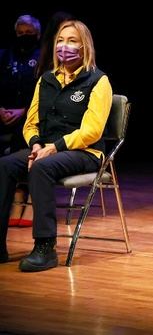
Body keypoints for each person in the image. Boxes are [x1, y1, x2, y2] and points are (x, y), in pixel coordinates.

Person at [0, 20, 112, 271]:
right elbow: (30, 124)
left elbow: (92, 130)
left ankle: (45, 247)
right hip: (47, 149)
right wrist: (37, 145)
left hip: (86, 151)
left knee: (41, 168)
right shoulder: (46, 79)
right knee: (5, 165)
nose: (65, 46)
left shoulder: (97, 80)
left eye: (72, 41)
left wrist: (55, 147)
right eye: (61, 40)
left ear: (84, 46)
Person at [1, 15, 42, 228]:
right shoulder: (4, 55)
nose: (24, 37)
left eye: (29, 34)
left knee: (25, 133)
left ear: (37, 35)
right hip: (3, 113)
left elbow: (43, 93)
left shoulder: (42, 57)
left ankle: (23, 196)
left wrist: (23, 110)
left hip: (28, 114)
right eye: (20, 33)